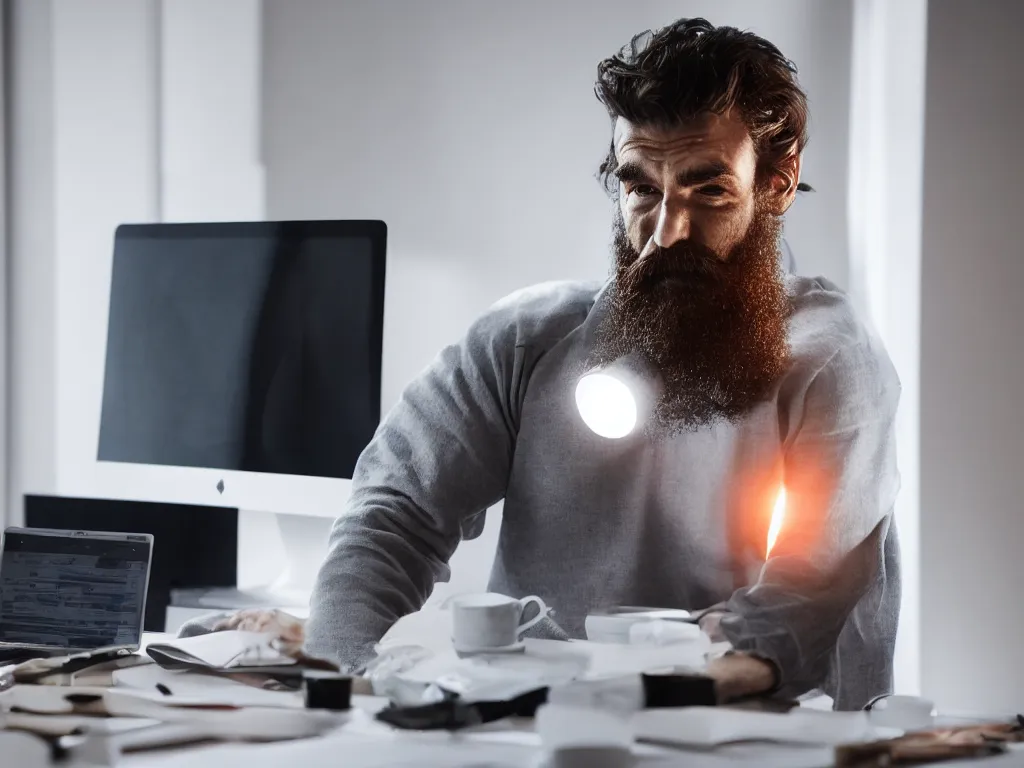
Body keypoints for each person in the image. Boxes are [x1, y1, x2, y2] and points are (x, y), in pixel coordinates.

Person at [215, 17, 900, 710]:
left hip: (755, 739)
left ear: (777, 185)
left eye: (708, 190)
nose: (666, 234)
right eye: (641, 188)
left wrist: (608, 694)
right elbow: (393, 513)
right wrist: (348, 677)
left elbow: (801, 604)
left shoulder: (831, 362)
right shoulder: (527, 340)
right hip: (532, 734)